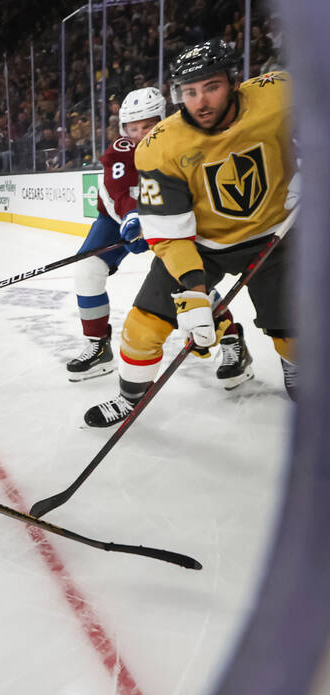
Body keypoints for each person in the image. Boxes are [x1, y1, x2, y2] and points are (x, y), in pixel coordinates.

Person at [85, 40, 297, 425]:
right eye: (189, 91)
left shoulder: (279, 93)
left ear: (233, 82)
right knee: (142, 326)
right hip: (203, 245)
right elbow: (168, 230)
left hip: (274, 237)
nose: (200, 102)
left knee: (293, 332)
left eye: (211, 87)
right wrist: (194, 292)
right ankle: (129, 396)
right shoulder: (159, 146)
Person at [66, 87, 183, 380]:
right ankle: (98, 346)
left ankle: (231, 336)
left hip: (166, 216)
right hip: (116, 219)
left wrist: (157, 222)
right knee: (88, 269)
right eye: (133, 127)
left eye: (148, 125)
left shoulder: (181, 142)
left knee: (187, 276)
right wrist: (131, 220)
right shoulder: (121, 149)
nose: (140, 133)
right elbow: (115, 191)